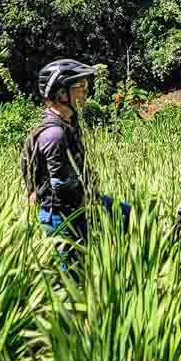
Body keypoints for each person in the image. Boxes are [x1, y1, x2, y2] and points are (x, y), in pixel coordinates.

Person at [21, 57, 129, 269]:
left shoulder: (69, 123)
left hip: (81, 204)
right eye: (80, 86)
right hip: (62, 216)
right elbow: (60, 188)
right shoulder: (54, 135)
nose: (86, 91)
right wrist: (90, 210)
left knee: (128, 216)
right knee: (72, 277)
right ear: (62, 94)